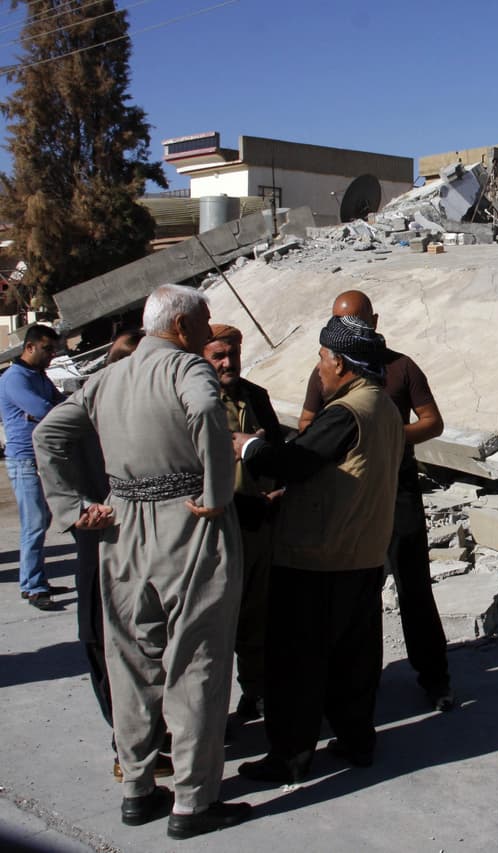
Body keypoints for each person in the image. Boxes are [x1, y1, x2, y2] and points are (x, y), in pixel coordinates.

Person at [34, 285, 251, 840]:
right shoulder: (187, 369)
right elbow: (207, 410)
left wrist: (71, 507)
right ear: (181, 327)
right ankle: (193, 802)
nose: (208, 330)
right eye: (203, 321)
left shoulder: (108, 377)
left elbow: (47, 433)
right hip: (189, 522)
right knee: (195, 661)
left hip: (121, 525)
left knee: (130, 660)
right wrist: (216, 491)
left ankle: (137, 788)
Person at [236, 314, 402, 783]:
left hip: (317, 557)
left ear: (341, 364)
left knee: (296, 664)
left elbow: (296, 463)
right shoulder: (383, 406)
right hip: (363, 554)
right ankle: (356, 742)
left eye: (323, 358)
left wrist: (248, 448)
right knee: (354, 661)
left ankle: (289, 757)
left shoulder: (346, 412)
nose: (319, 367)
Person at [297, 290, 452, 711]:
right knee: (354, 588)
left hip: (397, 489)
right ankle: (359, 681)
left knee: (413, 585)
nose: (345, 329)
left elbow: (432, 422)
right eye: (337, 321)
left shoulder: (401, 367)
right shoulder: (329, 367)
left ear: (375, 321)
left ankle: (435, 677)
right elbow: (307, 422)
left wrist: (384, 435)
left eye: (356, 321)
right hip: (348, 492)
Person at [65, 329, 174, 782]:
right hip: (104, 549)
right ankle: (128, 745)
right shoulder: (85, 417)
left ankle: (157, 735)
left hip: (155, 550)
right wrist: (76, 510)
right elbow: (51, 453)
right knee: (109, 646)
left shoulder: (161, 411)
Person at [203, 323, 283, 720]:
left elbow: (280, 454)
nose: (227, 362)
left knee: (256, 614)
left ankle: (257, 691)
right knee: (214, 620)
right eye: (218, 356)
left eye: (232, 354)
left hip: (256, 519)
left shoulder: (255, 396)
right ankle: (210, 711)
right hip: (213, 524)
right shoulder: (197, 401)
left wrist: (278, 490)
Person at [1, 324, 68, 610]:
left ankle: (35, 579)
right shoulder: (14, 379)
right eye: (46, 349)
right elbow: (46, 411)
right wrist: (55, 411)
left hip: (41, 458)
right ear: (29, 347)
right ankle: (32, 586)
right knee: (35, 523)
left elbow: (59, 404)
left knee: (42, 520)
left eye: (53, 350)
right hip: (25, 460)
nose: (51, 355)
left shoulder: (38, 376)